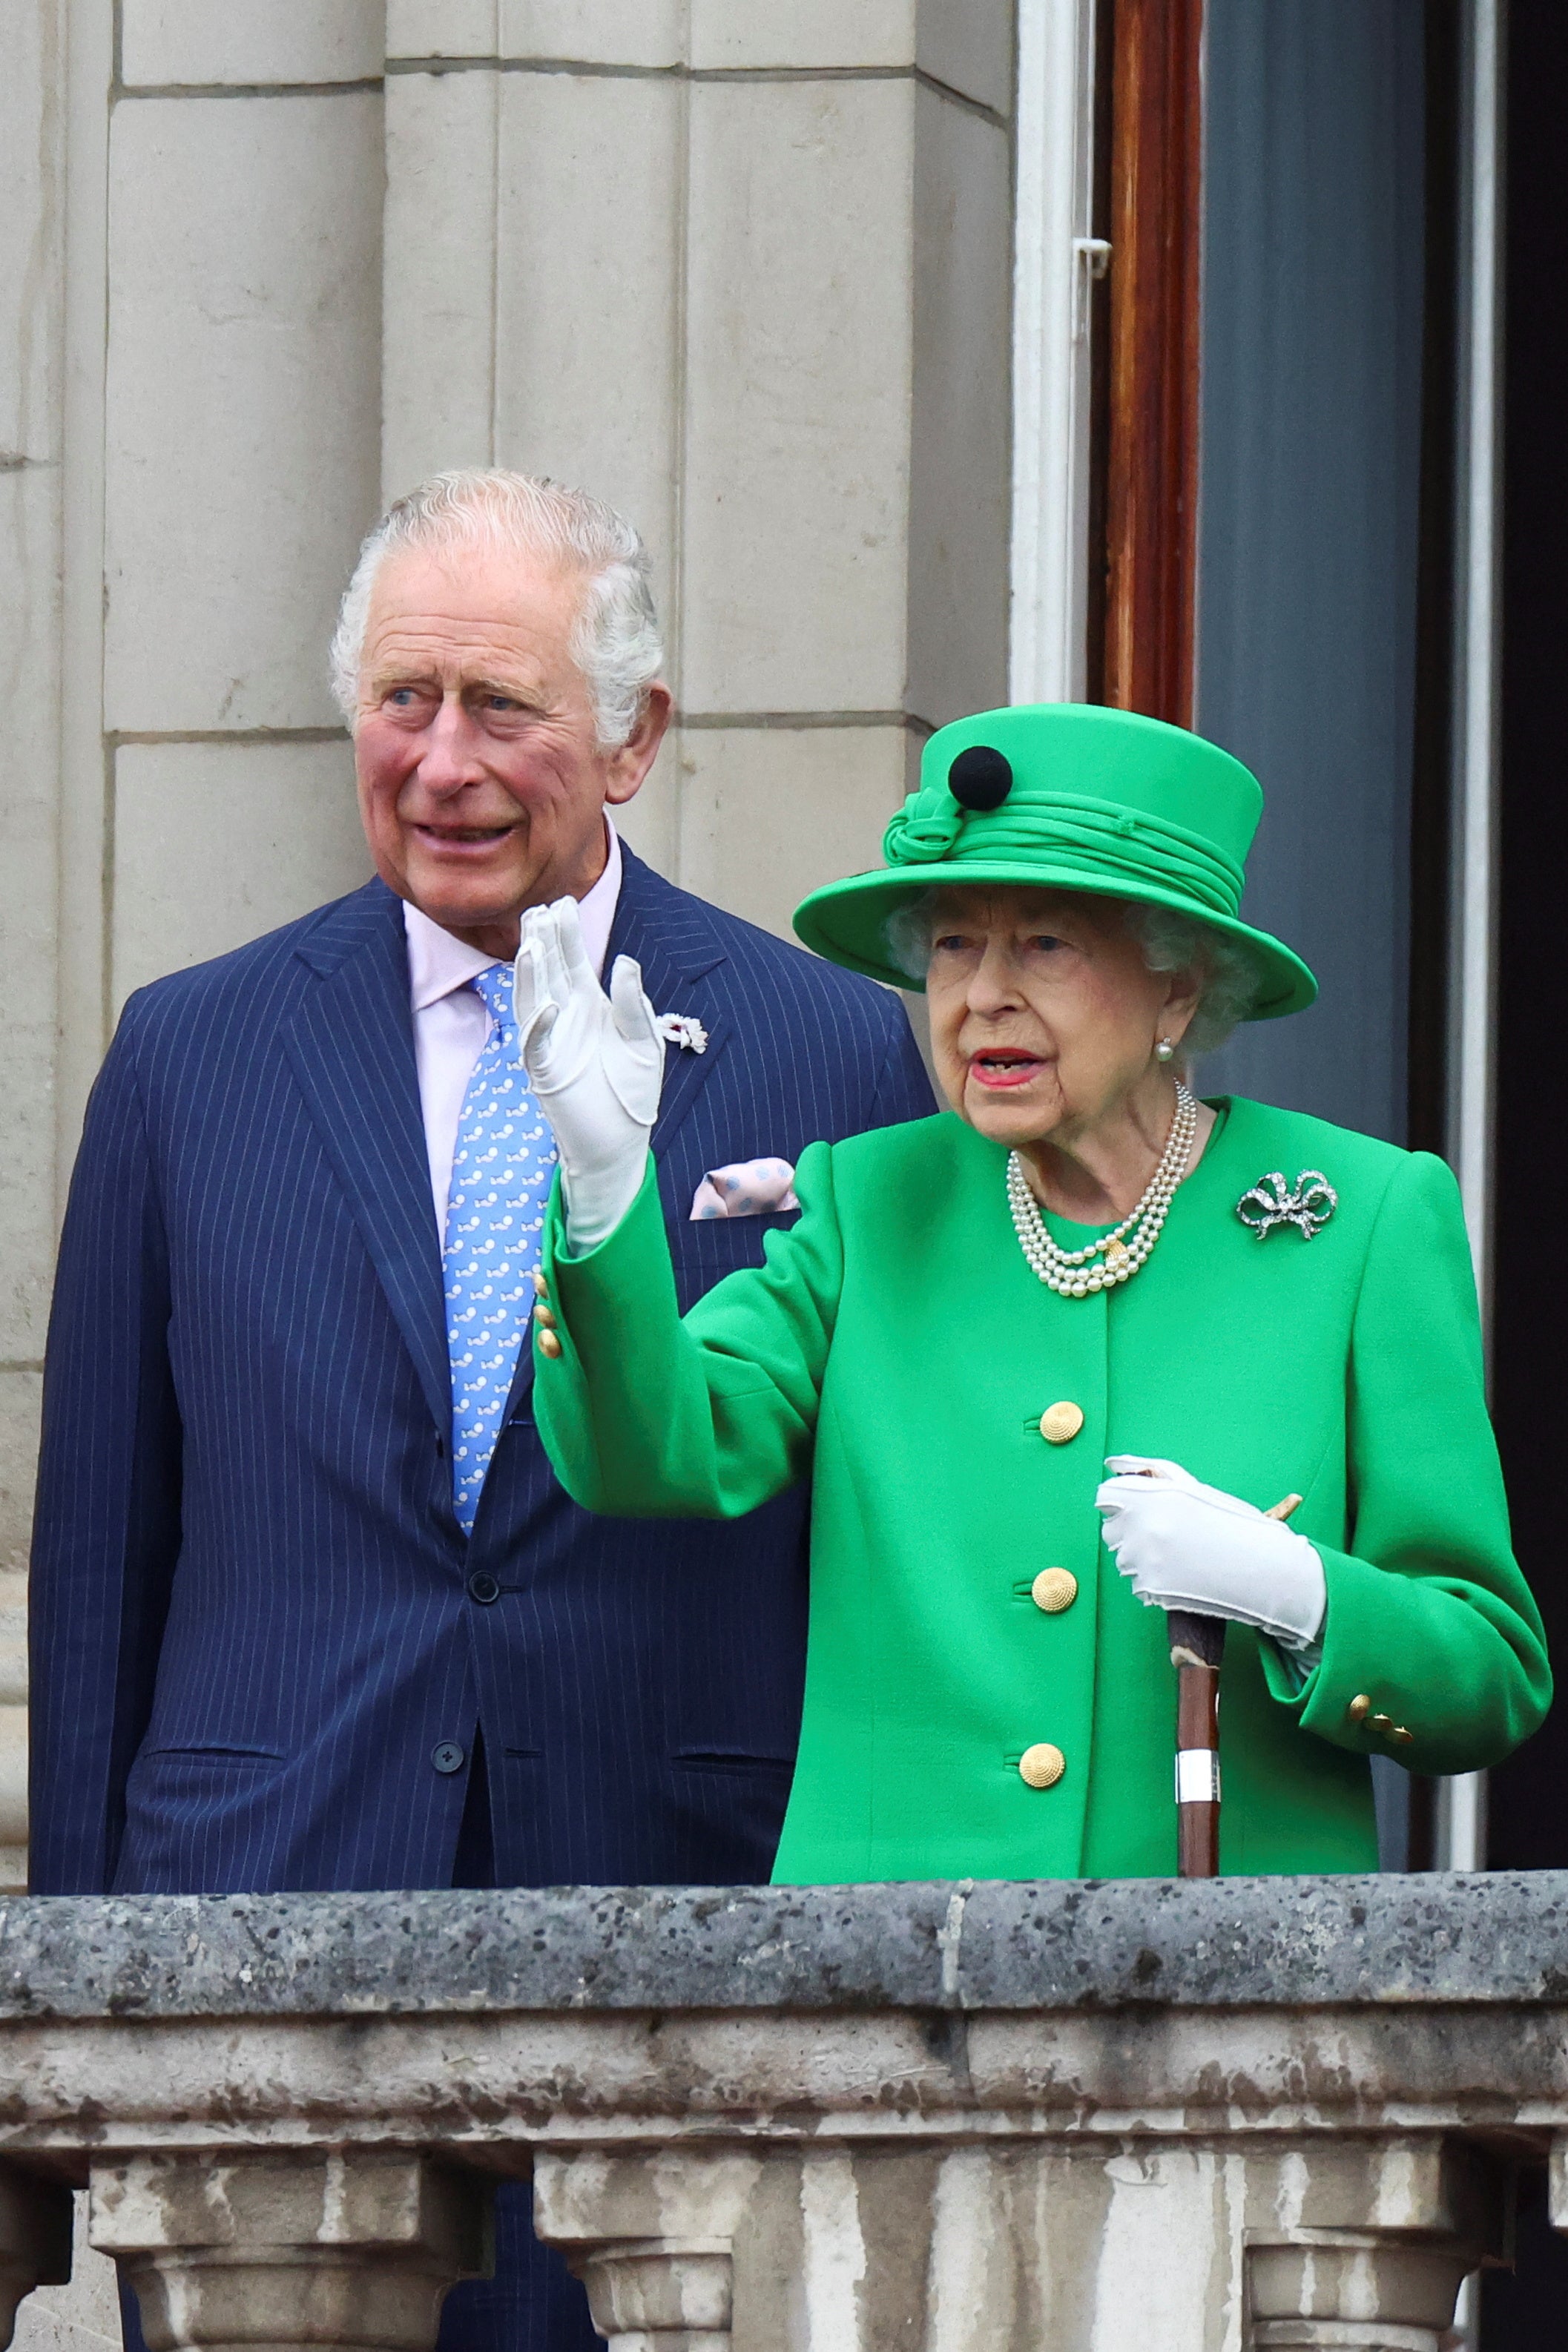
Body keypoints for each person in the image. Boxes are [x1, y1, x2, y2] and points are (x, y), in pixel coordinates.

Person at [28, 470, 934, 2352]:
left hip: (674, 1947)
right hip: (259, 1948)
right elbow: (106, 1556)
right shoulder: (189, 1051)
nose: (441, 761)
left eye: (503, 708)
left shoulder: (830, 1047)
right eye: (399, 700)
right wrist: (70, 2022)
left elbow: (872, 1540)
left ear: (634, 737)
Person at [521, 701, 1549, 1880]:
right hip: (886, 1989)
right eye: (955, 944)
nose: (982, 997)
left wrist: (1302, 1594)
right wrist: (602, 1186)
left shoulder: (1360, 1219)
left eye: (1046, 945)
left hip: (1226, 2009)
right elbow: (655, 1454)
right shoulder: (871, 1199)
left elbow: (1487, 1678)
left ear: (1177, 992)